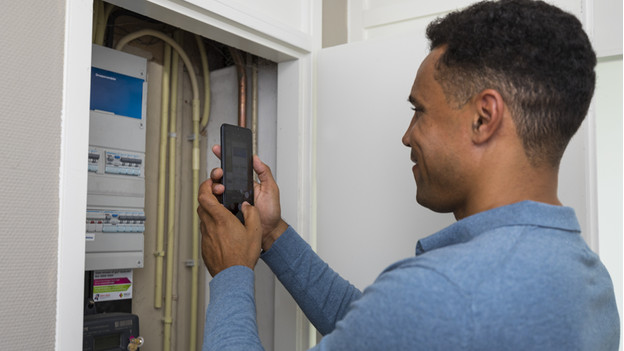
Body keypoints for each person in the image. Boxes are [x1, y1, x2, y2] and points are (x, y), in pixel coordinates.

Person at [197, 0, 620, 349]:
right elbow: (378, 329)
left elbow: (410, 316)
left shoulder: (443, 293)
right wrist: (271, 233)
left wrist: (232, 272)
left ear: (483, 117)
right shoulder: (590, 281)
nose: (406, 136)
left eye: (419, 110)